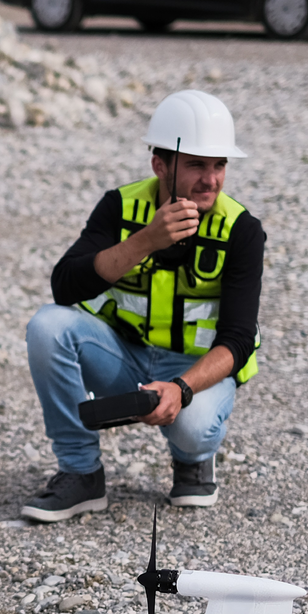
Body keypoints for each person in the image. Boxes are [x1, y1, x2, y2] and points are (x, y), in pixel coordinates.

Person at [21, 90, 264, 519]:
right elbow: (64, 286)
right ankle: (81, 474)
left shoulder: (241, 230)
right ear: (160, 165)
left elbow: (239, 338)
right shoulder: (120, 206)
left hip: (193, 372)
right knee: (47, 325)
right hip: (125, 360)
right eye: (196, 165)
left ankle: (192, 462)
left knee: (192, 428)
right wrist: (146, 241)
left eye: (219, 165)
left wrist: (181, 388)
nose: (210, 180)